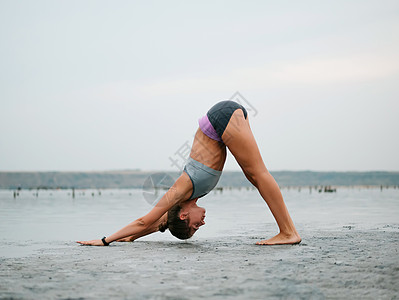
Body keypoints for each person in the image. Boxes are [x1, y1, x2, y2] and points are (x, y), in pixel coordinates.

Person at [77, 100, 301, 246]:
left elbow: (145, 220)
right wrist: (130, 237)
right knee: (253, 175)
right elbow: (159, 223)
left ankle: (288, 232)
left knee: (257, 173)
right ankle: (287, 231)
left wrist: (106, 240)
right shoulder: (188, 199)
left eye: (194, 226)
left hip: (222, 117)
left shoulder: (182, 189)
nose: (201, 224)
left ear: (184, 215)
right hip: (224, 118)